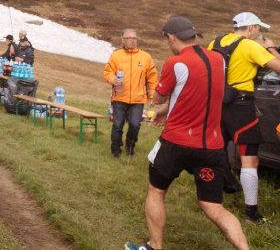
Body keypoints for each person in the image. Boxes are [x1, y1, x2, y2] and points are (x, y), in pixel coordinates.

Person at [124, 16, 248, 250]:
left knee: (156, 191)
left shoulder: (175, 62)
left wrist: (162, 104)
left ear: (171, 38)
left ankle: (155, 246)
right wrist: (168, 109)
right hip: (212, 146)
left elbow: (159, 96)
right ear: (193, 35)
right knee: (213, 207)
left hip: (176, 142)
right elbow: (199, 92)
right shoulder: (219, 60)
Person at [208, 11, 280, 224]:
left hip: (216, 104)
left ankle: (212, 202)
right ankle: (250, 212)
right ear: (250, 28)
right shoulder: (251, 46)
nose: (258, 33)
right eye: (257, 29)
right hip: (241, 107)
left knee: (215, 152)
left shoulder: (215, 42)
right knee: (249, 157)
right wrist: (271, 49)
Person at [103, 29, 158, 158]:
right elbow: (107, 72)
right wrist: (112, 79)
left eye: (134, 38)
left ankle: (130, 145)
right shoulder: (116, 56)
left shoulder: (146, 57)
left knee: (135, 125)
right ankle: (115, 150)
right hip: (119, 97)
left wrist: (152, 96)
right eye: (129, 38)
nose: (132, 40)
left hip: (138, 100)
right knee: (117, 125)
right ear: (123, 40)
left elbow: (152, 78)